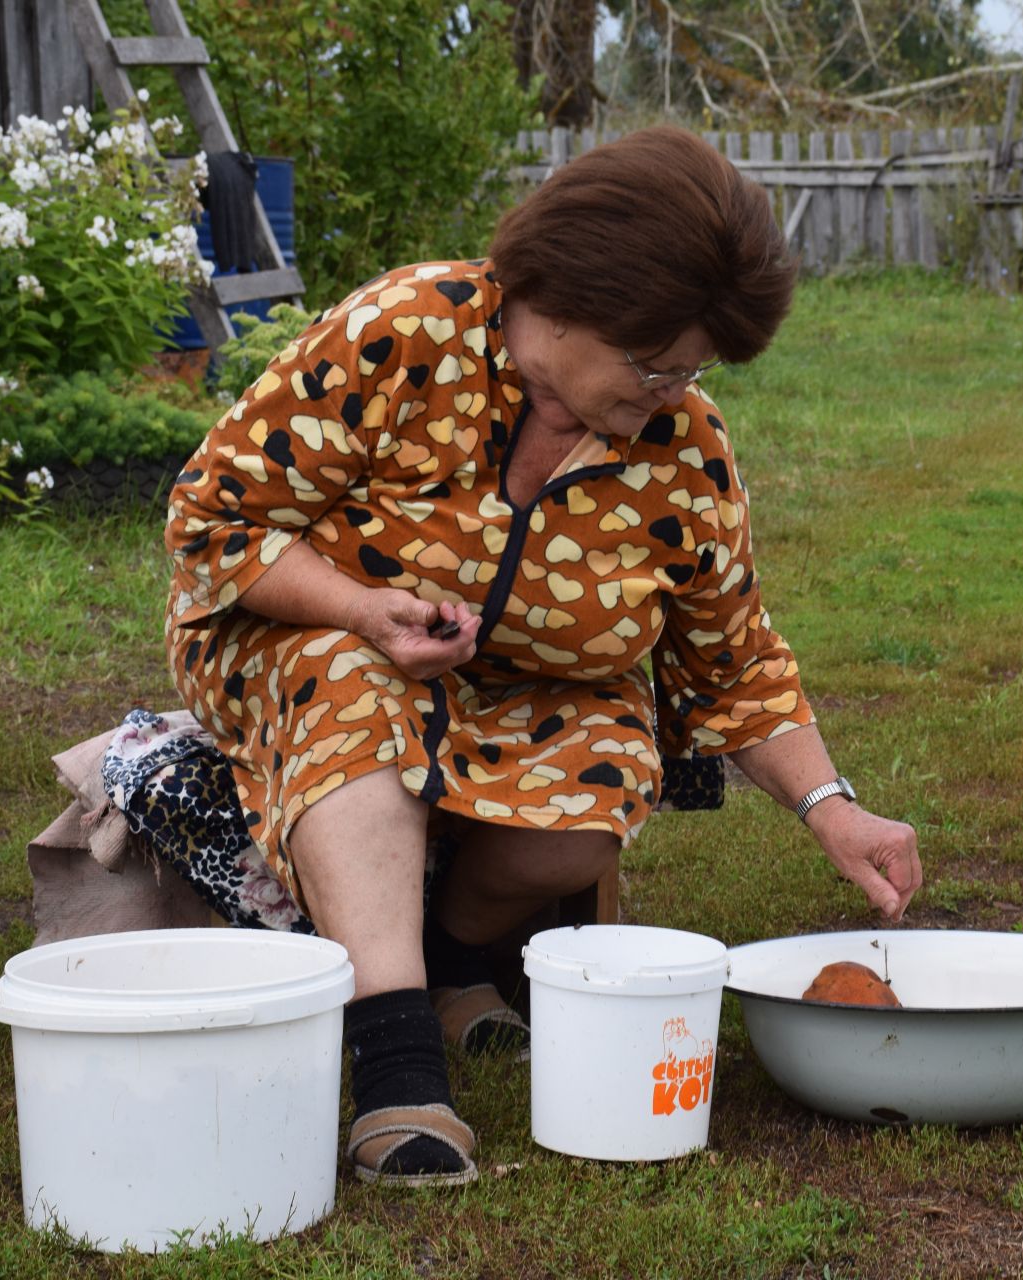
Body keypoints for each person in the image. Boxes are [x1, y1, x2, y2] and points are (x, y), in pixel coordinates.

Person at [163, 126, 921, 1187]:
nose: (674, 390)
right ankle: (396, 1064)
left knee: (613, 768)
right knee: (353, 683)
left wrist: (834, 806)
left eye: (692, 369)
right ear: (566, 301)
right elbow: (213, 518)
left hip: (539, 686)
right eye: (655, 363)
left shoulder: (684, 450)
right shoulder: (408, 332)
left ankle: (452, 948)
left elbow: (732, 661)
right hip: (309, 634)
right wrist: (357, 605)